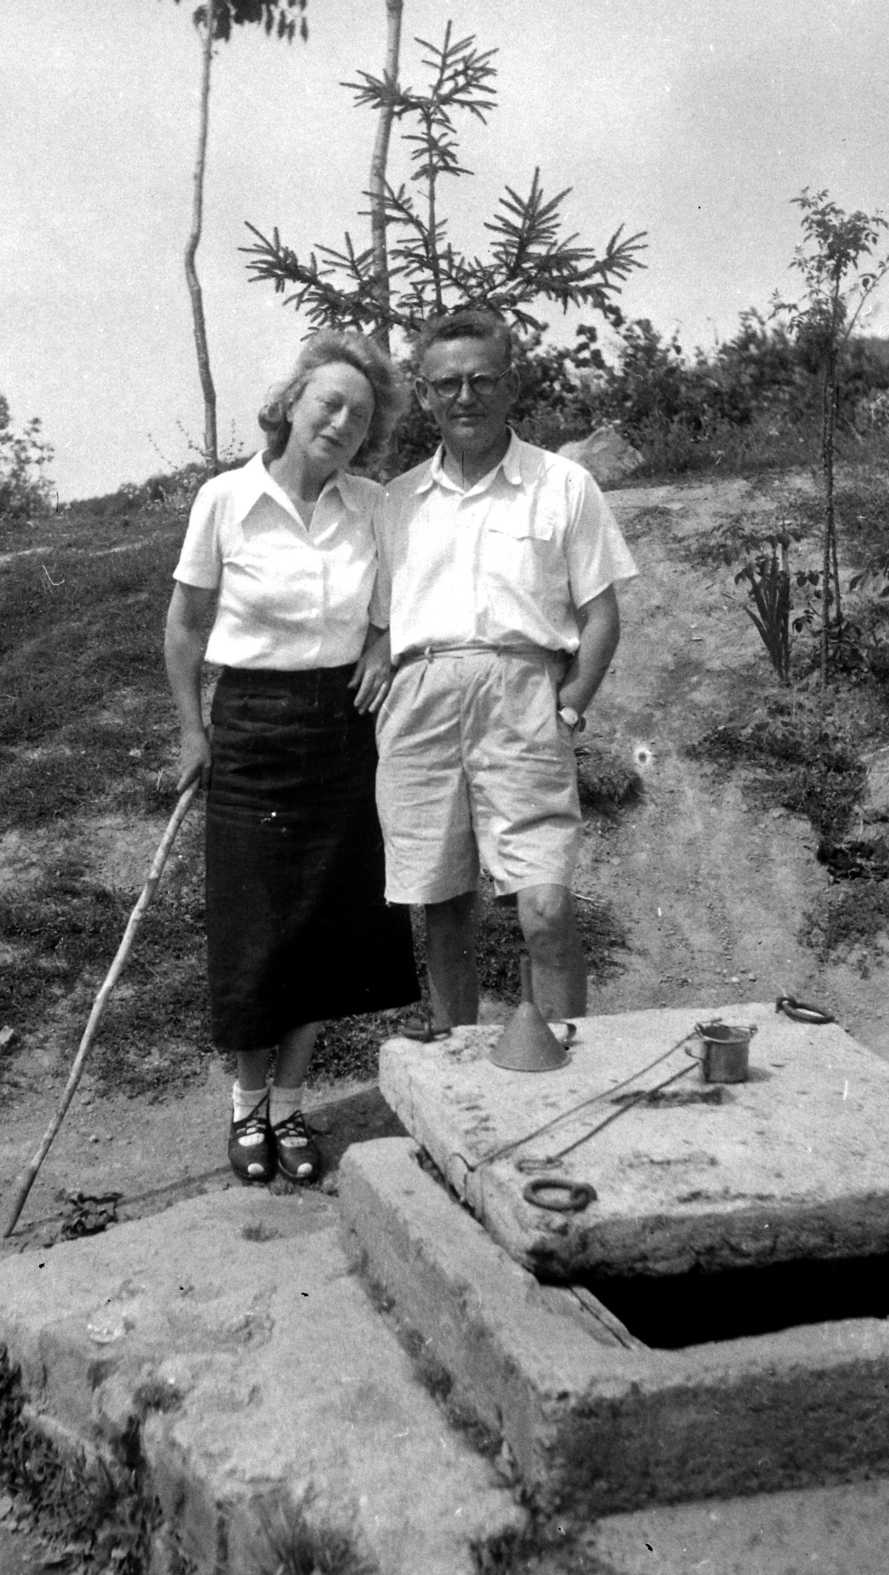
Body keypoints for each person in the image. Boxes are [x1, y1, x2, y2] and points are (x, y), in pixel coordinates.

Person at [165, 332, 420, 1185]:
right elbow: (187, 626)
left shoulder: (374, 505)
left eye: (361, 414)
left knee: (319, 924)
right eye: (330, 403)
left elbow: (390, 612)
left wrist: (381, 648)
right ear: (293, 401)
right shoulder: (225, 500)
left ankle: (292, 1103)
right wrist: (193, 730)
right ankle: (246, 1107)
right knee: (254, 926)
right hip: (250, 723)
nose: (343, 422)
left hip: (343, 727)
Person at [371, 307, 638, 1029]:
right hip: (421, 703)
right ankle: (461, 1081)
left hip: (524, 697)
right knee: (444, 914)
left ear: (510, 385)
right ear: (423, 395)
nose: (466, 397)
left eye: (482, 379)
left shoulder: (564, 484)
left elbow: (602, 616)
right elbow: (377, 616)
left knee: (545, 910)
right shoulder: (395, 501)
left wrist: (571, 705)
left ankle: (567, 1072)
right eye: (447, 383)